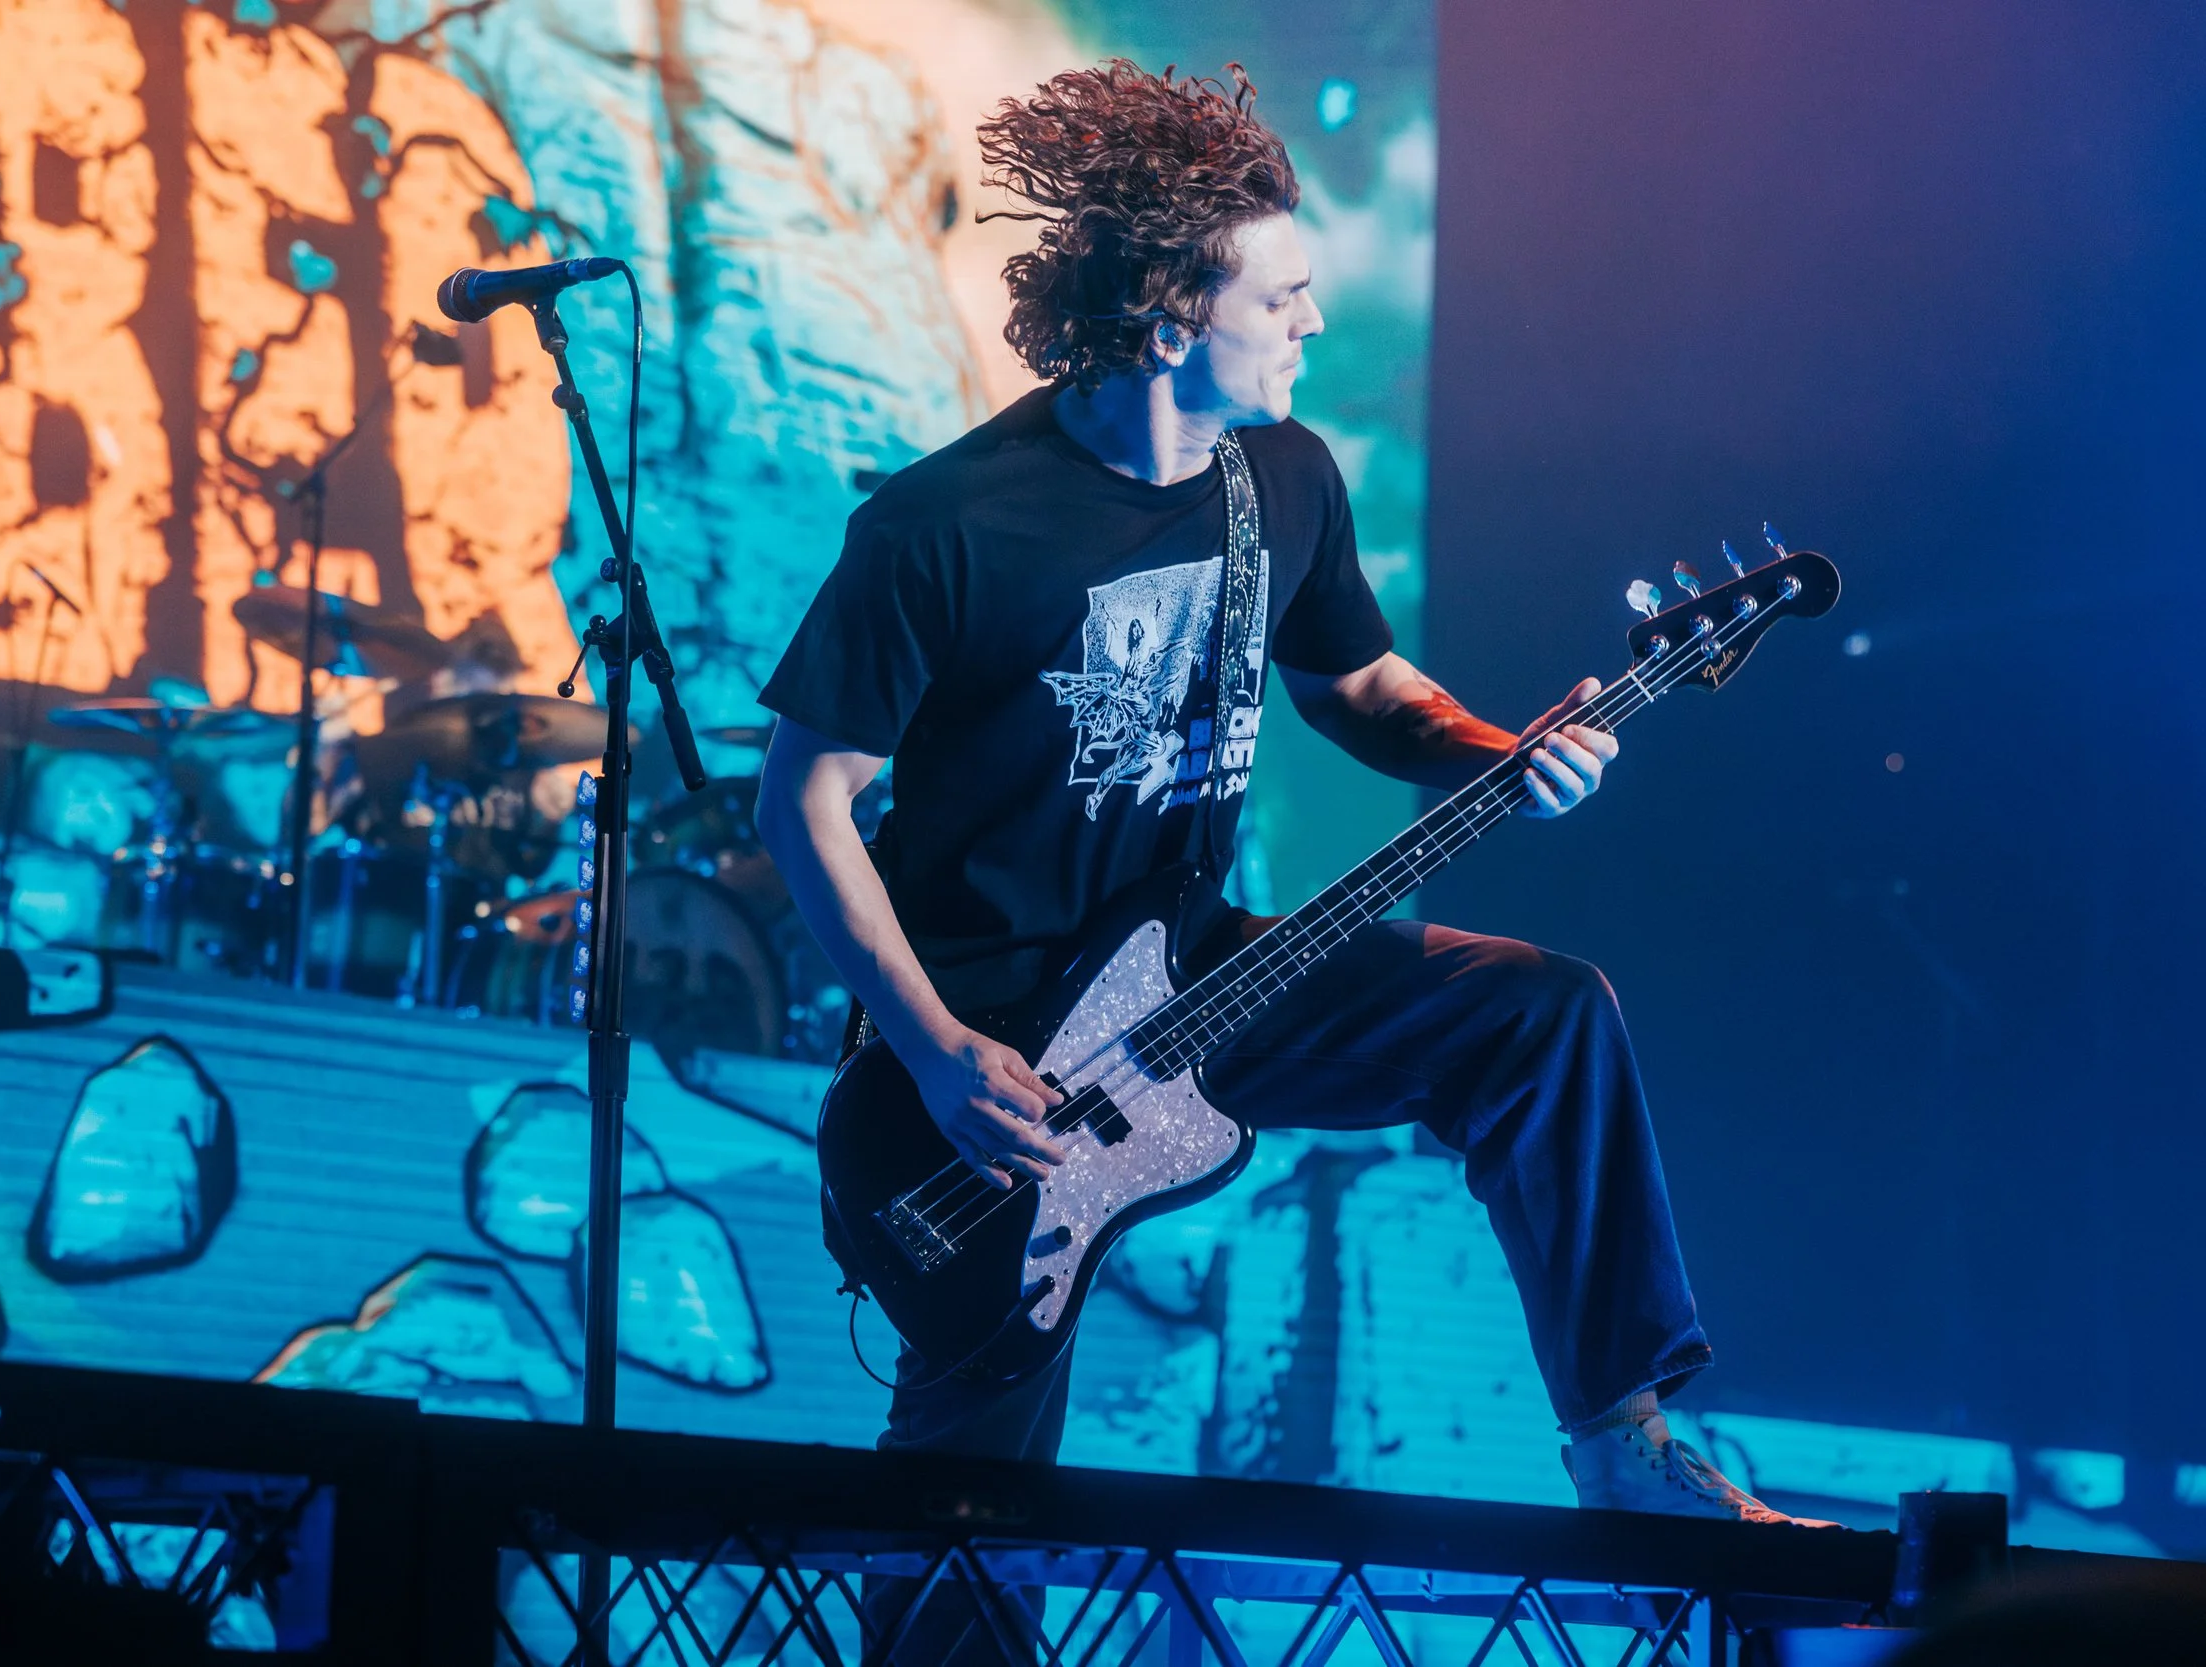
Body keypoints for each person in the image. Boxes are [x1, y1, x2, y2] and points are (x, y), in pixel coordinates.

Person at [757, 60, 1804, 1525]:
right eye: (1283, 297)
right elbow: (804, 802)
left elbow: (1363, 691)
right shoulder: (944, 523)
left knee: (1540, 1015)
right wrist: (934, 1053)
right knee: (964, 1510)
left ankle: (1622, 1439)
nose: (1313, 320)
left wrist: (1504, 754)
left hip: (1192, 972)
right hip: (993, 1052)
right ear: (1170, 320)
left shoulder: (1286, 479)